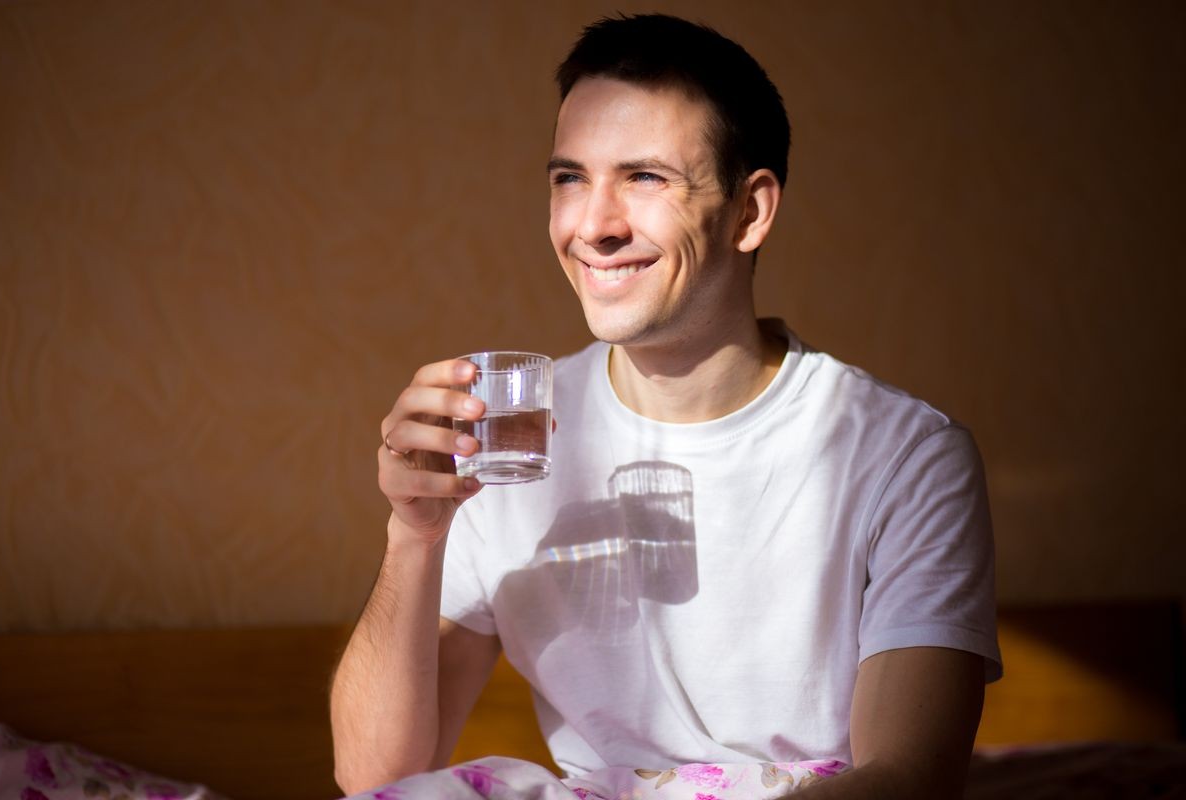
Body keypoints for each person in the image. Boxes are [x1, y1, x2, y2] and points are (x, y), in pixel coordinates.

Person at [330, 13, 1000, 799]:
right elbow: (376, 779)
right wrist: (414, 534)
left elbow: (908, 781)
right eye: (569, 178)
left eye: (644, 177)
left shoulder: (906, 457)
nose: (592, 225)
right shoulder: (511, 439)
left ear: (750, 213)